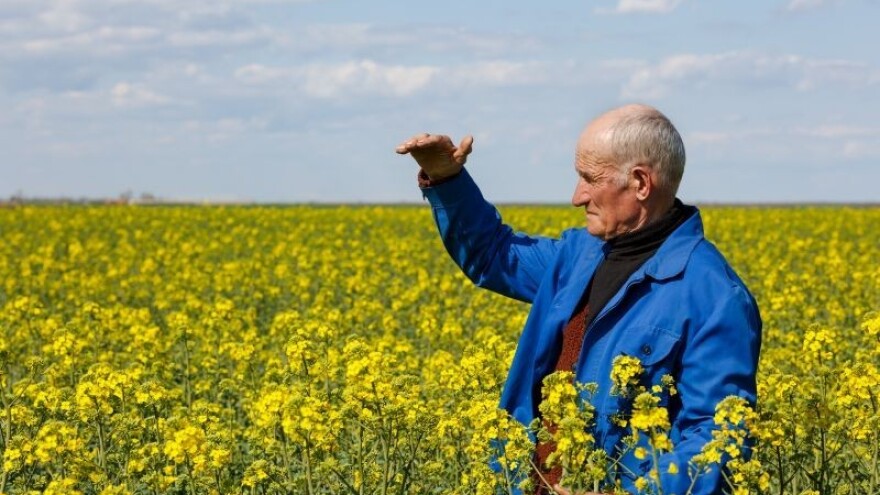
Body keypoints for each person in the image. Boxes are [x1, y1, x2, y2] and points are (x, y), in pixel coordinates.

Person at [395, 104, 761, 495]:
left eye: (589, 178)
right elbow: (493, 255)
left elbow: (719, 439)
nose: (576, 196)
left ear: (640, 183)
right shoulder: (578, 255)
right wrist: (447, 179)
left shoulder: (715, 297)